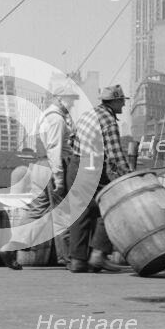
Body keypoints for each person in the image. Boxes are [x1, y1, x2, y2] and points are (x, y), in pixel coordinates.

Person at [0, 81, 78, 269]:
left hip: (37, 167)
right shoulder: (57, 120)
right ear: (60, 99)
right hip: (52, 167)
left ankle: (9, 247)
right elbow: (54, 149)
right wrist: (59, 177)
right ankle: (68, 258)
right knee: (63, 212)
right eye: (70, 100)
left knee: (36, 212)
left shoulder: (43, 116)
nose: (73, 104)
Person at [66, 84, 131, 273]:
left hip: (75, 164)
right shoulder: (109, 121)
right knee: (111, 206)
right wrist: (129, 176)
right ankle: (98, 254)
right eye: (122, 102)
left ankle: (78, 260)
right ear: (115, 101)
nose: (124, 106)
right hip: (91, 167)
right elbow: (116, 155)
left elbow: (71, 139)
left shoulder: (88, 114)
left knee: (80, 212)